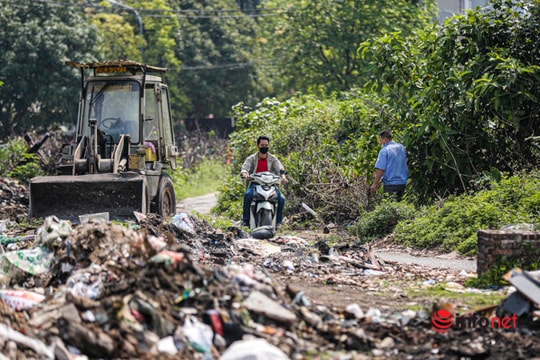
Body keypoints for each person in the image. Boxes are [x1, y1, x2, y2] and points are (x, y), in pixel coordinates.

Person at [240, 135, 288, 227]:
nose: (264, 147)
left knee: (281, 199)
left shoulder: (273, 158)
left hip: (272, 185)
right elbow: (245, 168)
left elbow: (280, 169)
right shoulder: (252, 158)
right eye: (262, 145)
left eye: (266, 145)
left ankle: (278, 222)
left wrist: (283, 177)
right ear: (258, 145)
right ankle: (246, 220)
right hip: (255, 184)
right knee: (247, 196)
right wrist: (245, 174)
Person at [370, 130, 408, 201]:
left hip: (390, 183)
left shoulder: (384, 150)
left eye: (380, 140)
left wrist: (374, 184)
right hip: (402, 183)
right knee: (399, 207)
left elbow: (381, 169)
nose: (380, 143)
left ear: (385, 139)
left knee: (389, 207)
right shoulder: (402, 148)